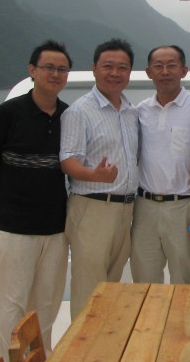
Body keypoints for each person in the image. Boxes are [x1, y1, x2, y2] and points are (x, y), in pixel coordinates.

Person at [0, 40, 72, 362]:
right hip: (14, 227)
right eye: (49, 67)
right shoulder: (9, 112)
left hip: (55, 228)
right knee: (10, 307)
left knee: (46, 305)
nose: (55, 74)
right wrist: (11, 193)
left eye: (62, 69)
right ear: (33, 70)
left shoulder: (68, 115)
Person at [60, 38, 139, 319]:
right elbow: (67, 160)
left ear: (130, 72)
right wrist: (94, 174)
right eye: (108, 66)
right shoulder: (80, 111)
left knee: (110, 287)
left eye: (122, 67)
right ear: (94, 68)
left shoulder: (131, 112)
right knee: (89, 289)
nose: (115, 73)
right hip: (92, 208)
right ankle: (82, 345)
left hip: (125, 210)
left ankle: (102, 341)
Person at [130, 45, 190, 284]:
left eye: (171, 65)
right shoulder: (140, 111)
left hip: (185, 208)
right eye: (158, 66)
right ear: (148, 72)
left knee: (187, 279)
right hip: (145, 208)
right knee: (144, 278)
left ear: (184, 70)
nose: (165, 71)